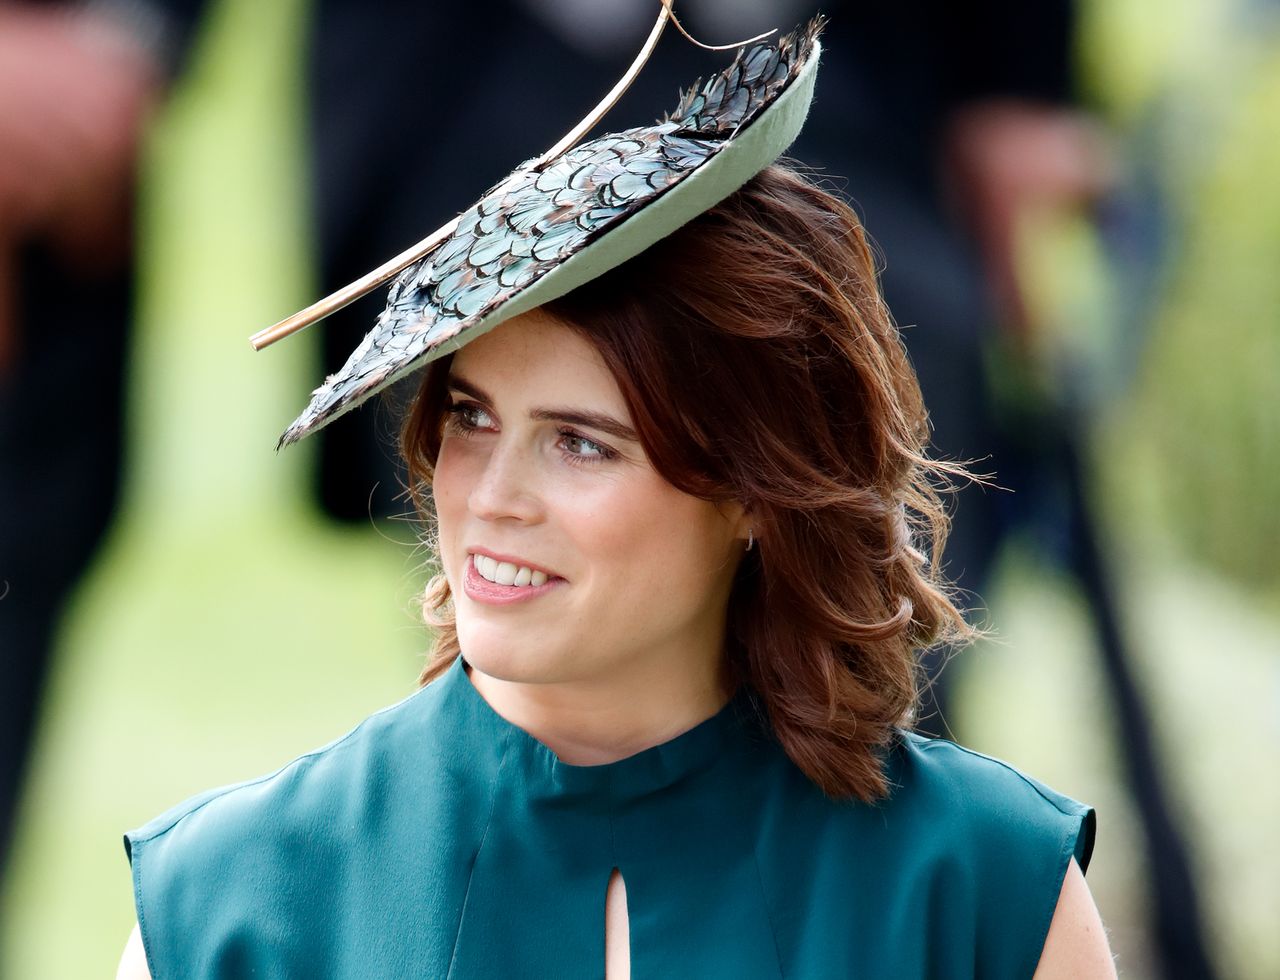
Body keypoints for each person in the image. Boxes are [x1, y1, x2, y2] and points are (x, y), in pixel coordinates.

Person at [117, 17, 1114, 978]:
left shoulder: (985, 891)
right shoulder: (230, 904)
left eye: (581, 443)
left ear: (754, 486)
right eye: (470, 418)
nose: (493, 497)